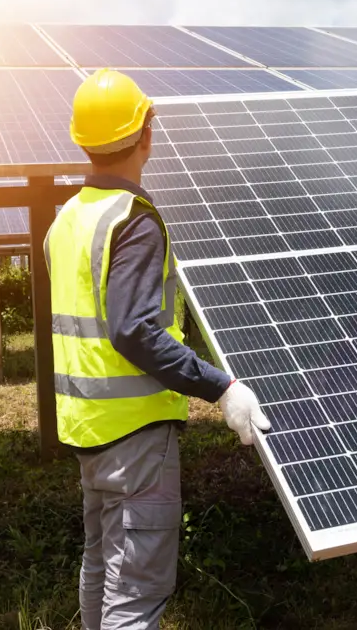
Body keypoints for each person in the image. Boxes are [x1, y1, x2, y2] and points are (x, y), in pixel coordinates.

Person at [47, 68, 270, 630]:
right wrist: (222, 386)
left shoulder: (66, 219)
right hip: (136, 436)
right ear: (146, 133)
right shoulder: (132, 220)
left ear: (83, 141)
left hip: (87, 428)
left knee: (101, 560)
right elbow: (134, 330)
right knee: (138, 589)